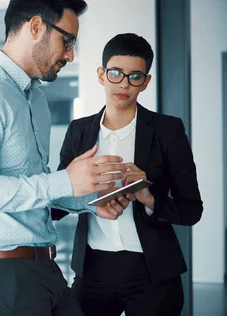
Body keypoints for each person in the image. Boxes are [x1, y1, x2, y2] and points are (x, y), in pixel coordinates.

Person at [0, 0, 134, 315]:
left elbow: (35, 187)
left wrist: (90, 200)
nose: (70, 55)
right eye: (67, 41)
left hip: (43, 268)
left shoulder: (35, 99)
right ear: (35, 27)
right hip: (3, 277)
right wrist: (65, 180)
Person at [52, 33, 203, 316]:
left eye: (135, 76)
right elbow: (57, 205)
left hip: (154, 273)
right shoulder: (78, 131)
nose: (124, 83)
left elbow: (192, 210)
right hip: (92, 272)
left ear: (145, 82)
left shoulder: (168, 130)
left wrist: (148, 198)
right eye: (116, 73)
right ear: (101, 74)